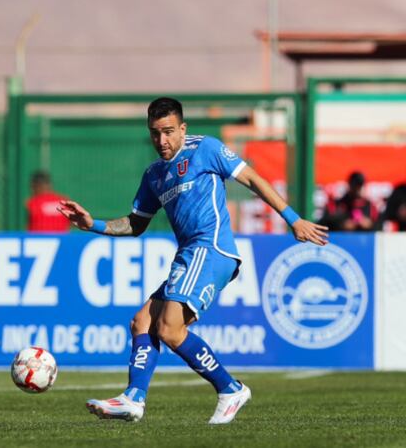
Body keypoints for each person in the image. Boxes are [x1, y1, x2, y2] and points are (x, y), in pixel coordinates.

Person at [58, 97, 328, 424]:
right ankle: (133, 399)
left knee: (169, 328)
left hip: (211, 248)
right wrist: (93, 225)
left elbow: (254, 180)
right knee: (142, 322)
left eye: (169, 132)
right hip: (188, 254)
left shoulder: (206, 149)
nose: (162, 141)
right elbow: (135, 224)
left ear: (183, 128)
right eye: (155, 133)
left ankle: (230, 388)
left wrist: (293, 219)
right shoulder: (154, 174)